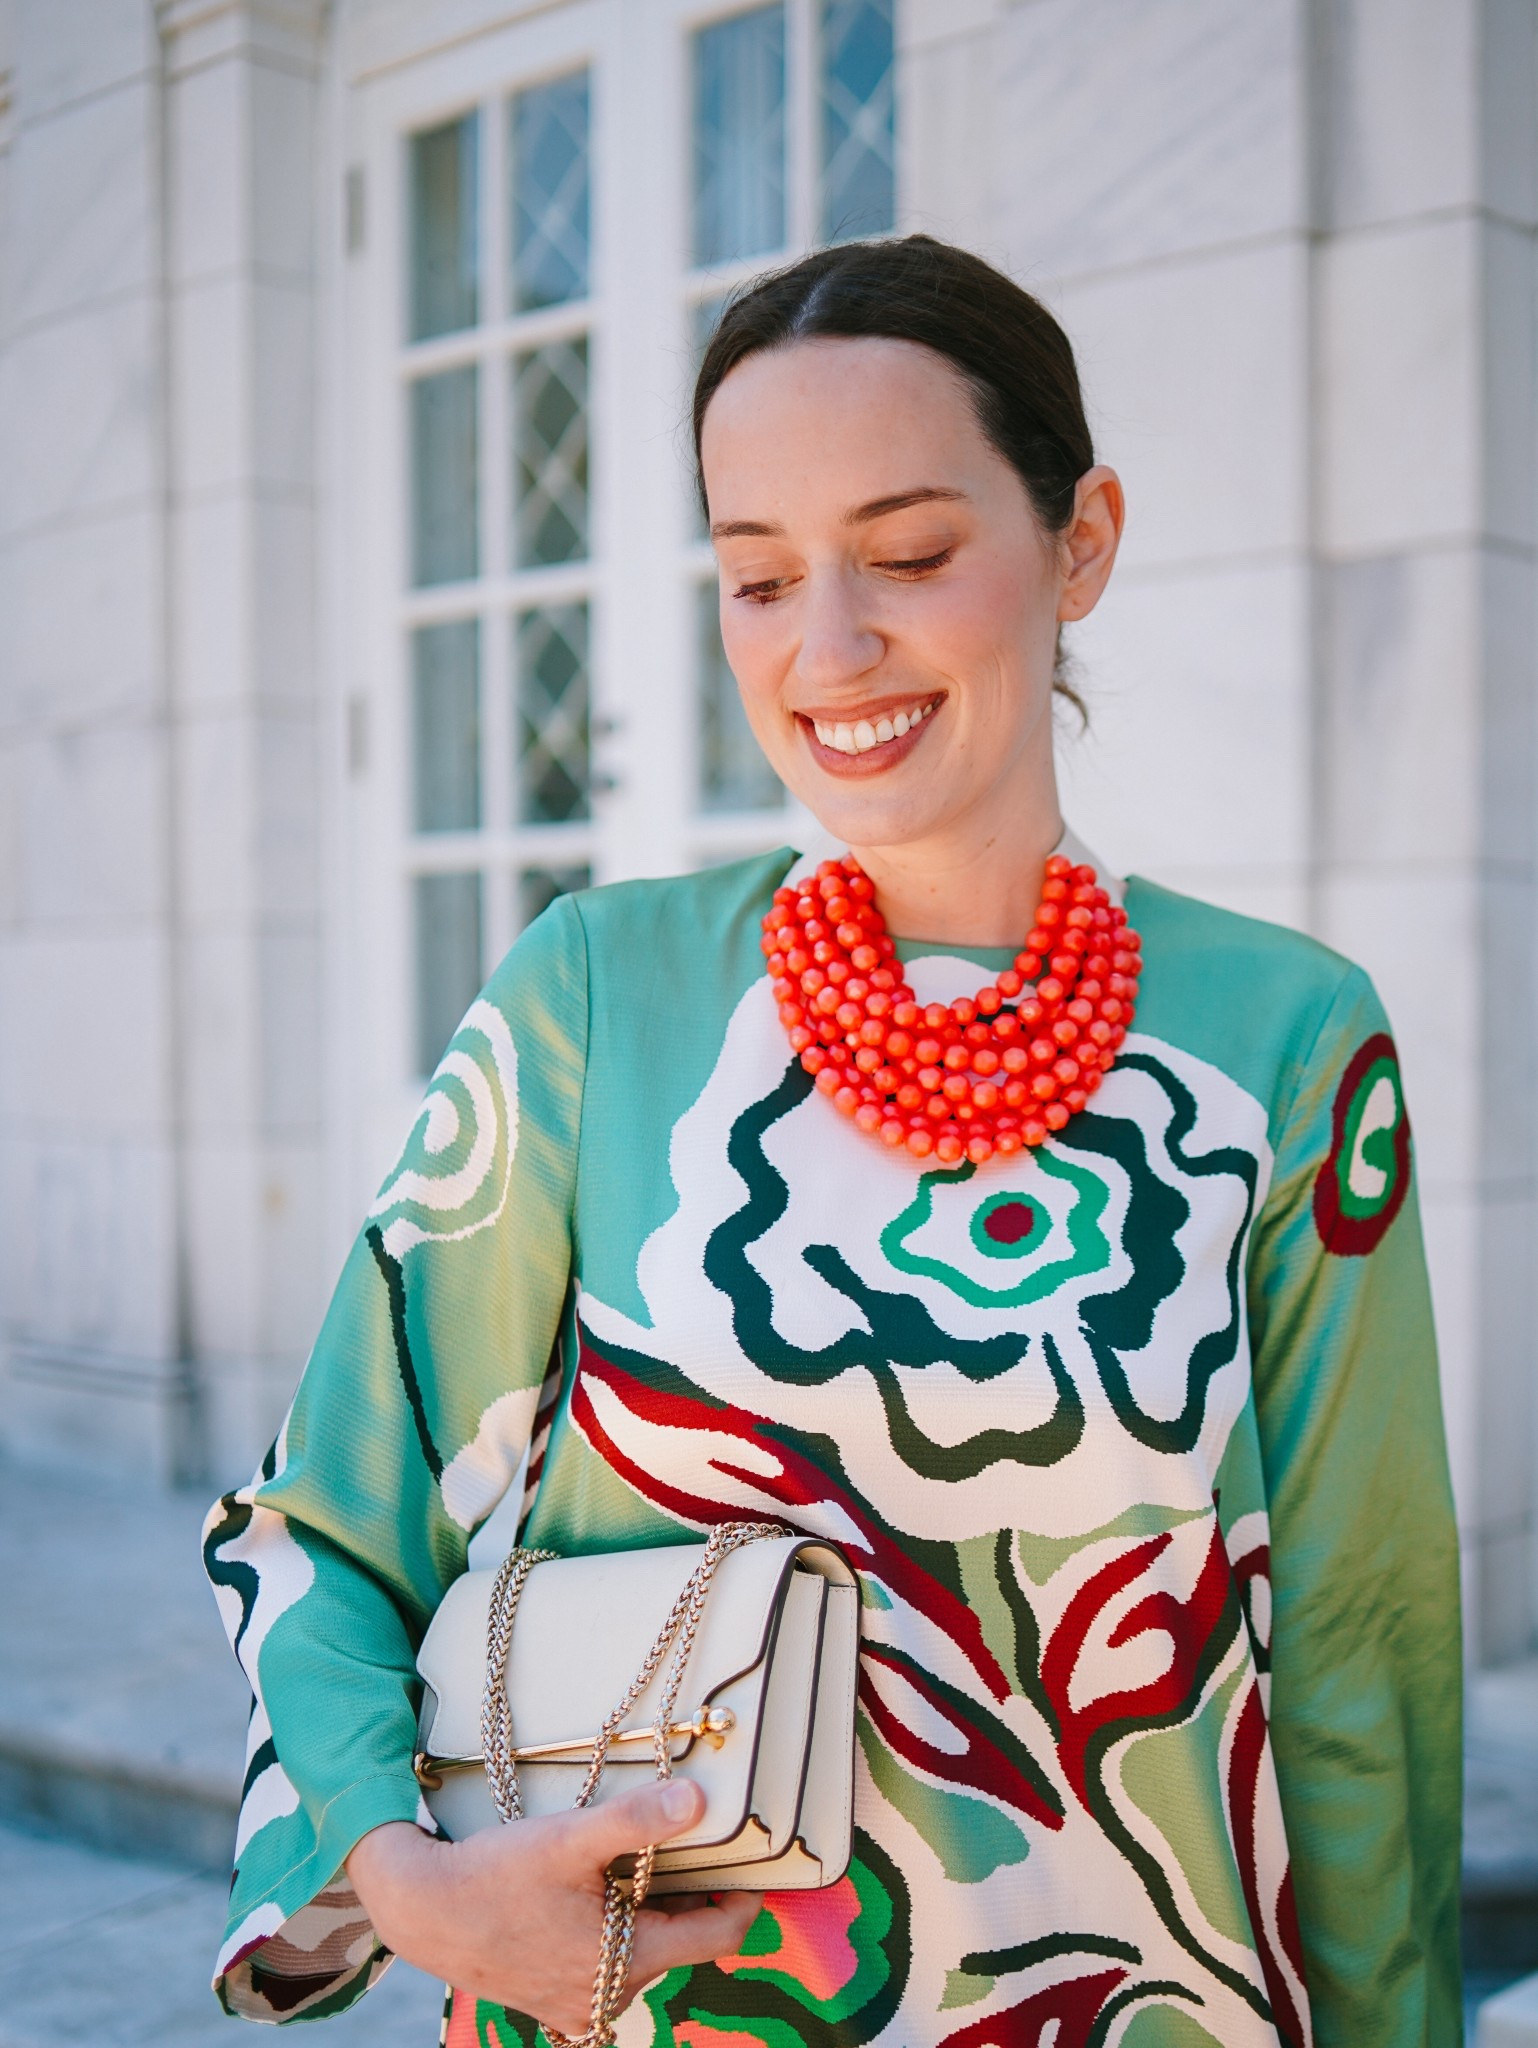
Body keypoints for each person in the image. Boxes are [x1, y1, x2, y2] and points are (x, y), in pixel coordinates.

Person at [204, 234, 1461, 2048]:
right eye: (757, 579)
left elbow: (1363, 1651)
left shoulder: (1285, 1039)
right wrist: (412, 1890)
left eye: (911, 554)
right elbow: (321, 1521)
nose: (829, 648)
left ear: (1079, 540)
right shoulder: (593, 999)